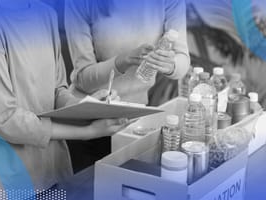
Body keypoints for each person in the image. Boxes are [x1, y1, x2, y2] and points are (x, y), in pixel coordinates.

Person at [0, 0, 129, 199]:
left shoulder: (46, 14)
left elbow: (57, 91)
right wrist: (87, 132)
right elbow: (6, 120)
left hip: (51, 173)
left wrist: (90, 107)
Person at [64, 0, 190, 170]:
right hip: (89, 120)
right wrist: (122, 61)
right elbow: (83, 79)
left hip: (134, 120)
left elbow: (182, 59)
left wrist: (170, 65)